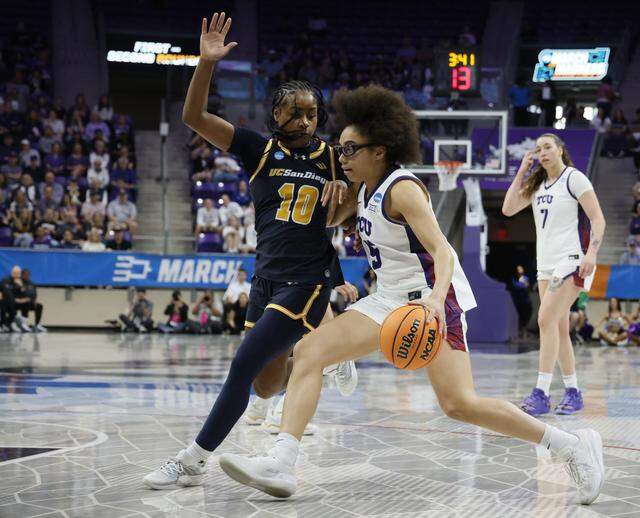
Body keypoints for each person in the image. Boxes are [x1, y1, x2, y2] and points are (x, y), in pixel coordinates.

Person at [217, 84, 605, 506]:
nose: (340, 157)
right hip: (388, 299)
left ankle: (569, 444)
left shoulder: (403, 188)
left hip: (431, 299)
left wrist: (437, 301)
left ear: (379, 150)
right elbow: (312, 219)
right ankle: (282, 461)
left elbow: (442, 250)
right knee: (310, 351)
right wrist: (328, 195)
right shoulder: (361, 188)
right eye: (341, 150)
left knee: (459, 405)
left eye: (349, 150)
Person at [143, 12, 357, 490]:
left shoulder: (332, 157)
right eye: (295, 111)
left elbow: (347, 217)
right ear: (276, 114)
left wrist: (346, 202)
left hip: (307, 280)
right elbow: (193, 117)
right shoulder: (258, 150)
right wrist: (205, 64)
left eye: (312, 113)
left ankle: (193, 459)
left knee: (240, 365)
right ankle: (322, 352)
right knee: (263, 384)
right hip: (265, 278)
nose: (305, 119)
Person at [503, 134, 606, 416]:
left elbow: (598, 218)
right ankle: (573, 392)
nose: (542, 152)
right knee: (557, 328)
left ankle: (541, 392)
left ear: (560, 150)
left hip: (573, 259)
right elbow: (508, 208)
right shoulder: (537, 184)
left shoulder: (574, 178)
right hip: (545, 265)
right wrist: (523, 170)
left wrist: (592, 254)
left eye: (547, 147)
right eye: (538, 149)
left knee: (545, 318)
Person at [511, 265, 533, 337]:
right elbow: (514, 286)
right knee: (517, 315)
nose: (520, 271)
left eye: (521, 269)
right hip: (517, 300)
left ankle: (523, 330)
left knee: (525, 315)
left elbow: (527, 287)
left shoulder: (525, 278)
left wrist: (525, 286)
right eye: (518, 269)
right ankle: (518, 331)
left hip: (525, 300)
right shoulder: (514, 279)